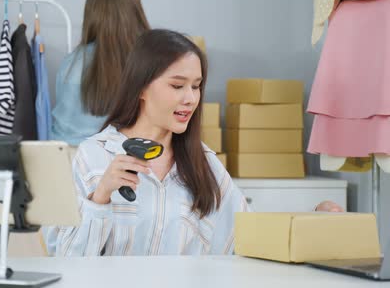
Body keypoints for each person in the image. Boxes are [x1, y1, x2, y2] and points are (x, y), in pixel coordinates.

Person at [46, 29, 342, 257]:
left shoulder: (204, 163)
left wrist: (313, 218)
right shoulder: (93, 157)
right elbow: (66, 259)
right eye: (177, 85)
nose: (190, 98)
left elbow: (249, 236)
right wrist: (100, 198)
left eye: (196, 86)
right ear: (141, 87)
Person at [50, 0, 150, 145]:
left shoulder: (71, 63)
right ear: (135, 12)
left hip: (65, 160)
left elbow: (61, 129)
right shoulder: (147, 62)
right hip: (119, 161)